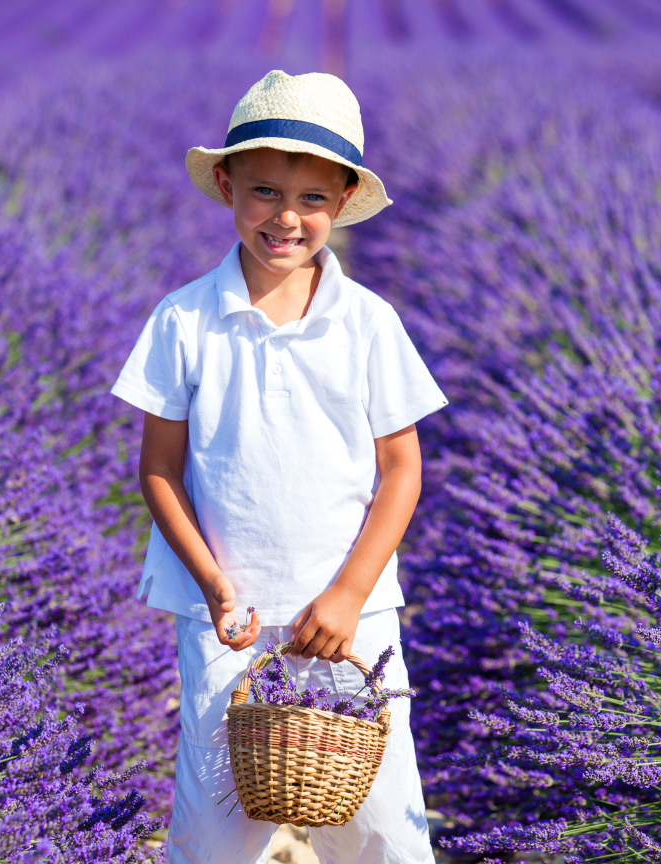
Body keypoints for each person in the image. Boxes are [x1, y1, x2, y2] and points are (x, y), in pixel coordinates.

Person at [111, 69, 446, 864]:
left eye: (312, 200)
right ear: (226, 186)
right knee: (213, 831)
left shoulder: (367, 323)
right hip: (232, 618)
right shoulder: (185, 318)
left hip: (351, 617)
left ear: (341, 203)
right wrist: (216, 588)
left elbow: (402, 470)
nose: (286, 218)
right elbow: (159, 469)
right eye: (264, 192)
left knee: (383, 831)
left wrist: (349, 593)